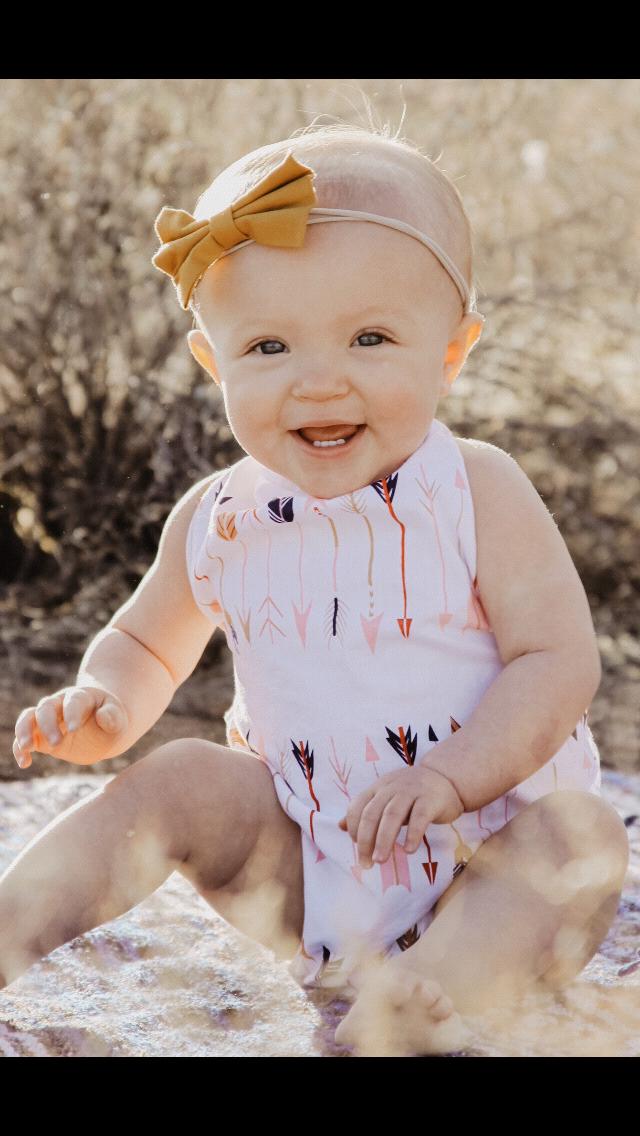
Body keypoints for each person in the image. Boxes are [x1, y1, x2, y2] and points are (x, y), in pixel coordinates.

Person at [6, 124, 629, 1057]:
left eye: (371, 338)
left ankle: (424, 1002)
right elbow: (144, 640)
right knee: (178, 778)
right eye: (268, 346)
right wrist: (109, 701)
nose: (320, 381)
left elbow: (558, 659)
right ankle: (10, 927)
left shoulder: (473, 489)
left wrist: (449, 778)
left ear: (450, 352)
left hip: (489, 854)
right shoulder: (219, 516)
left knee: (581, 833)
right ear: (214, 363)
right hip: (311, 863)